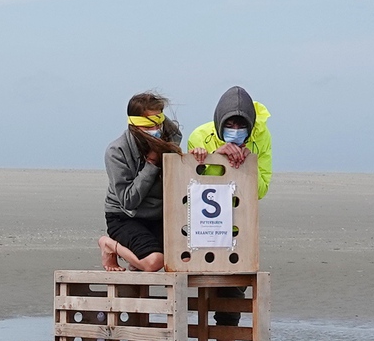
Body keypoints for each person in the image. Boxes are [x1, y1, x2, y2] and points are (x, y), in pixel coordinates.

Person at [188, 86, 273, 325]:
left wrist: (245, 166)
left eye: (241, 126)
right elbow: (192, 183)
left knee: (231, 296)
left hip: (236, 224)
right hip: (203, 224)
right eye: (230, 126)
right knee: (197, 292)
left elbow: (262, 189)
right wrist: (217, 157)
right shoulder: (200, 136)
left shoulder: (261, 137)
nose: (235, 132)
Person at [98, 91, 183, 272]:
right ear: (135, 125)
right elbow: (128, 200)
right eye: (149, 126)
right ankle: (108, 245)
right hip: (125, 217)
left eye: (158, 123)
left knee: (186, 256)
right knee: (154, 262)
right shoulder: (117, 151)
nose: (156, 130)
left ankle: (135, 261)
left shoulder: (170, 137)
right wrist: (151, 163)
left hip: (159, 216)